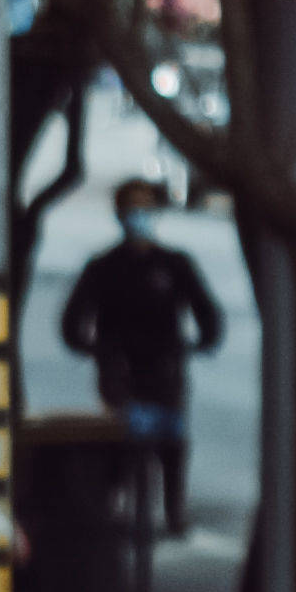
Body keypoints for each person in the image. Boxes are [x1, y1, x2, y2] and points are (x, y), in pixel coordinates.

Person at [58, 184, 226, 532]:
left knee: (172, 441)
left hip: (165, 368)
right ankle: (113, 501)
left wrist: (203, 341)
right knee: (118, 441)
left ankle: (173, 510)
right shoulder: (103, 267)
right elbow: (72, 321)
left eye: (146, 208)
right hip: (119, 371)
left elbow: (206, 310)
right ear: (119, 215)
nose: (140, 216)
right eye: (133, 208)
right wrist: (92, 349)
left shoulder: (174, 264)